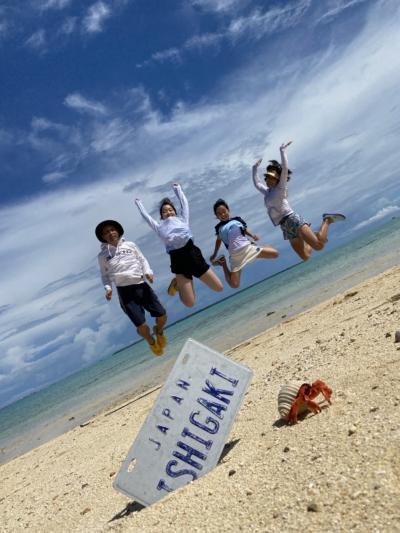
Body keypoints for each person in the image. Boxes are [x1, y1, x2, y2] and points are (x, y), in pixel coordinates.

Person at [252, 141, 345, 261]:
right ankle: (311, 235)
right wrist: (254, 168)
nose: (269, 180)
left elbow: (285, 168)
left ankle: (327, 220)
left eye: (273, 178)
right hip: (285, 227)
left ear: (277, 180)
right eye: (268, 177)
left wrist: (282, 150)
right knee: (305, 256)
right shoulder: (267, 192)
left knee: (319, 246)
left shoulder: (280, 188)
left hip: (293, 220)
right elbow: (257, 183)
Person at [135, 183, 223, 308]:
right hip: (178, 261)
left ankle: (179, 283)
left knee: (219, 288)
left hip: (193, 255)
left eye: (170, 210)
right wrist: (139, 204)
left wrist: (177, 189)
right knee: (190, 303)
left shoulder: (183, 219)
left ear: (175, 212)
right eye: (164, 211)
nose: (168, 212)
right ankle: (178, 284)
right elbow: (147, 218)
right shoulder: (159, 228)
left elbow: (185, 204)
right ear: (162, 216)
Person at [96, 220, 167, 356]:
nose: (110, 233)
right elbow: (104, 275)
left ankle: (159, 330)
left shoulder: (130, 245)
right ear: (103, 237)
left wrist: (148, 272)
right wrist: (108, 288)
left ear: (117, 230)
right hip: (125, 292)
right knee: (141, 326)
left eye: (112, 229)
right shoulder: (103, 256)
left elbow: (142, 259)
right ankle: (150, 340)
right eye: (106, 232)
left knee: (162, 315)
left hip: (141, 285)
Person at [209, 199, 279, 288]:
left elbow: (244, 230)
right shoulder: (219, 228)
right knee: (234, 285)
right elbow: (218, 240)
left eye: (224, 211)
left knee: (275, 254)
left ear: (228, 210)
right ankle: (223, 263)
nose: (223, 214)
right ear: (216, 216)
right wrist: (214, 254)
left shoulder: (237, 220)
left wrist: (252, 235)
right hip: (235, 257)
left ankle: (257, 247)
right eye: (219, 213)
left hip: (248, 249)